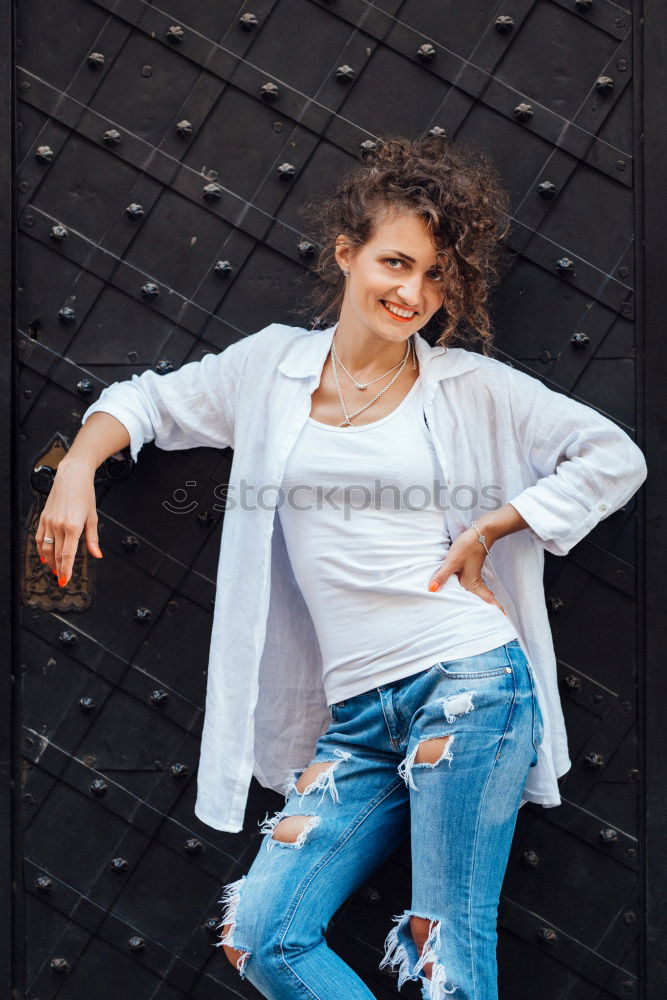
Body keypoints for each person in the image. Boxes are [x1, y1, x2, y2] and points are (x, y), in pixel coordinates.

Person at [36, 135, 647, 1000]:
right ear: (345, 251)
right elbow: (148, 402)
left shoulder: (468, 385)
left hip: (468, 686)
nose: (412, 293)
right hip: (358, 714)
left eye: (438, 276)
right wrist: (76, 467)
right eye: (395, 262)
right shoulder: (271, 366)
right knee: (261, 934)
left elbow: (612, 455)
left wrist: (496, 525)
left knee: (446, 955)